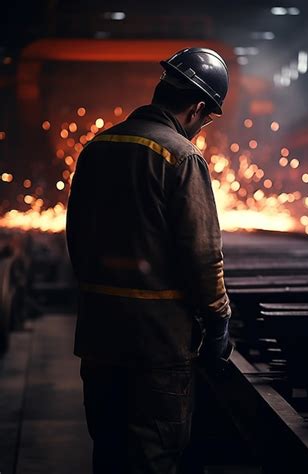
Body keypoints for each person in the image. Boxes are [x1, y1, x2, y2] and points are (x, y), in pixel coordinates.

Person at [66, 47, 233, 474]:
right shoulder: (180, 156)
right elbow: (201, 252)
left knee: (108, 453)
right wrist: (218, 321)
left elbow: (77, 238)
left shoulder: (96, 147)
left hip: (100, 338)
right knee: (151, 459)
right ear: (197, 108)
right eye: (207, 119)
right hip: (156, 349)